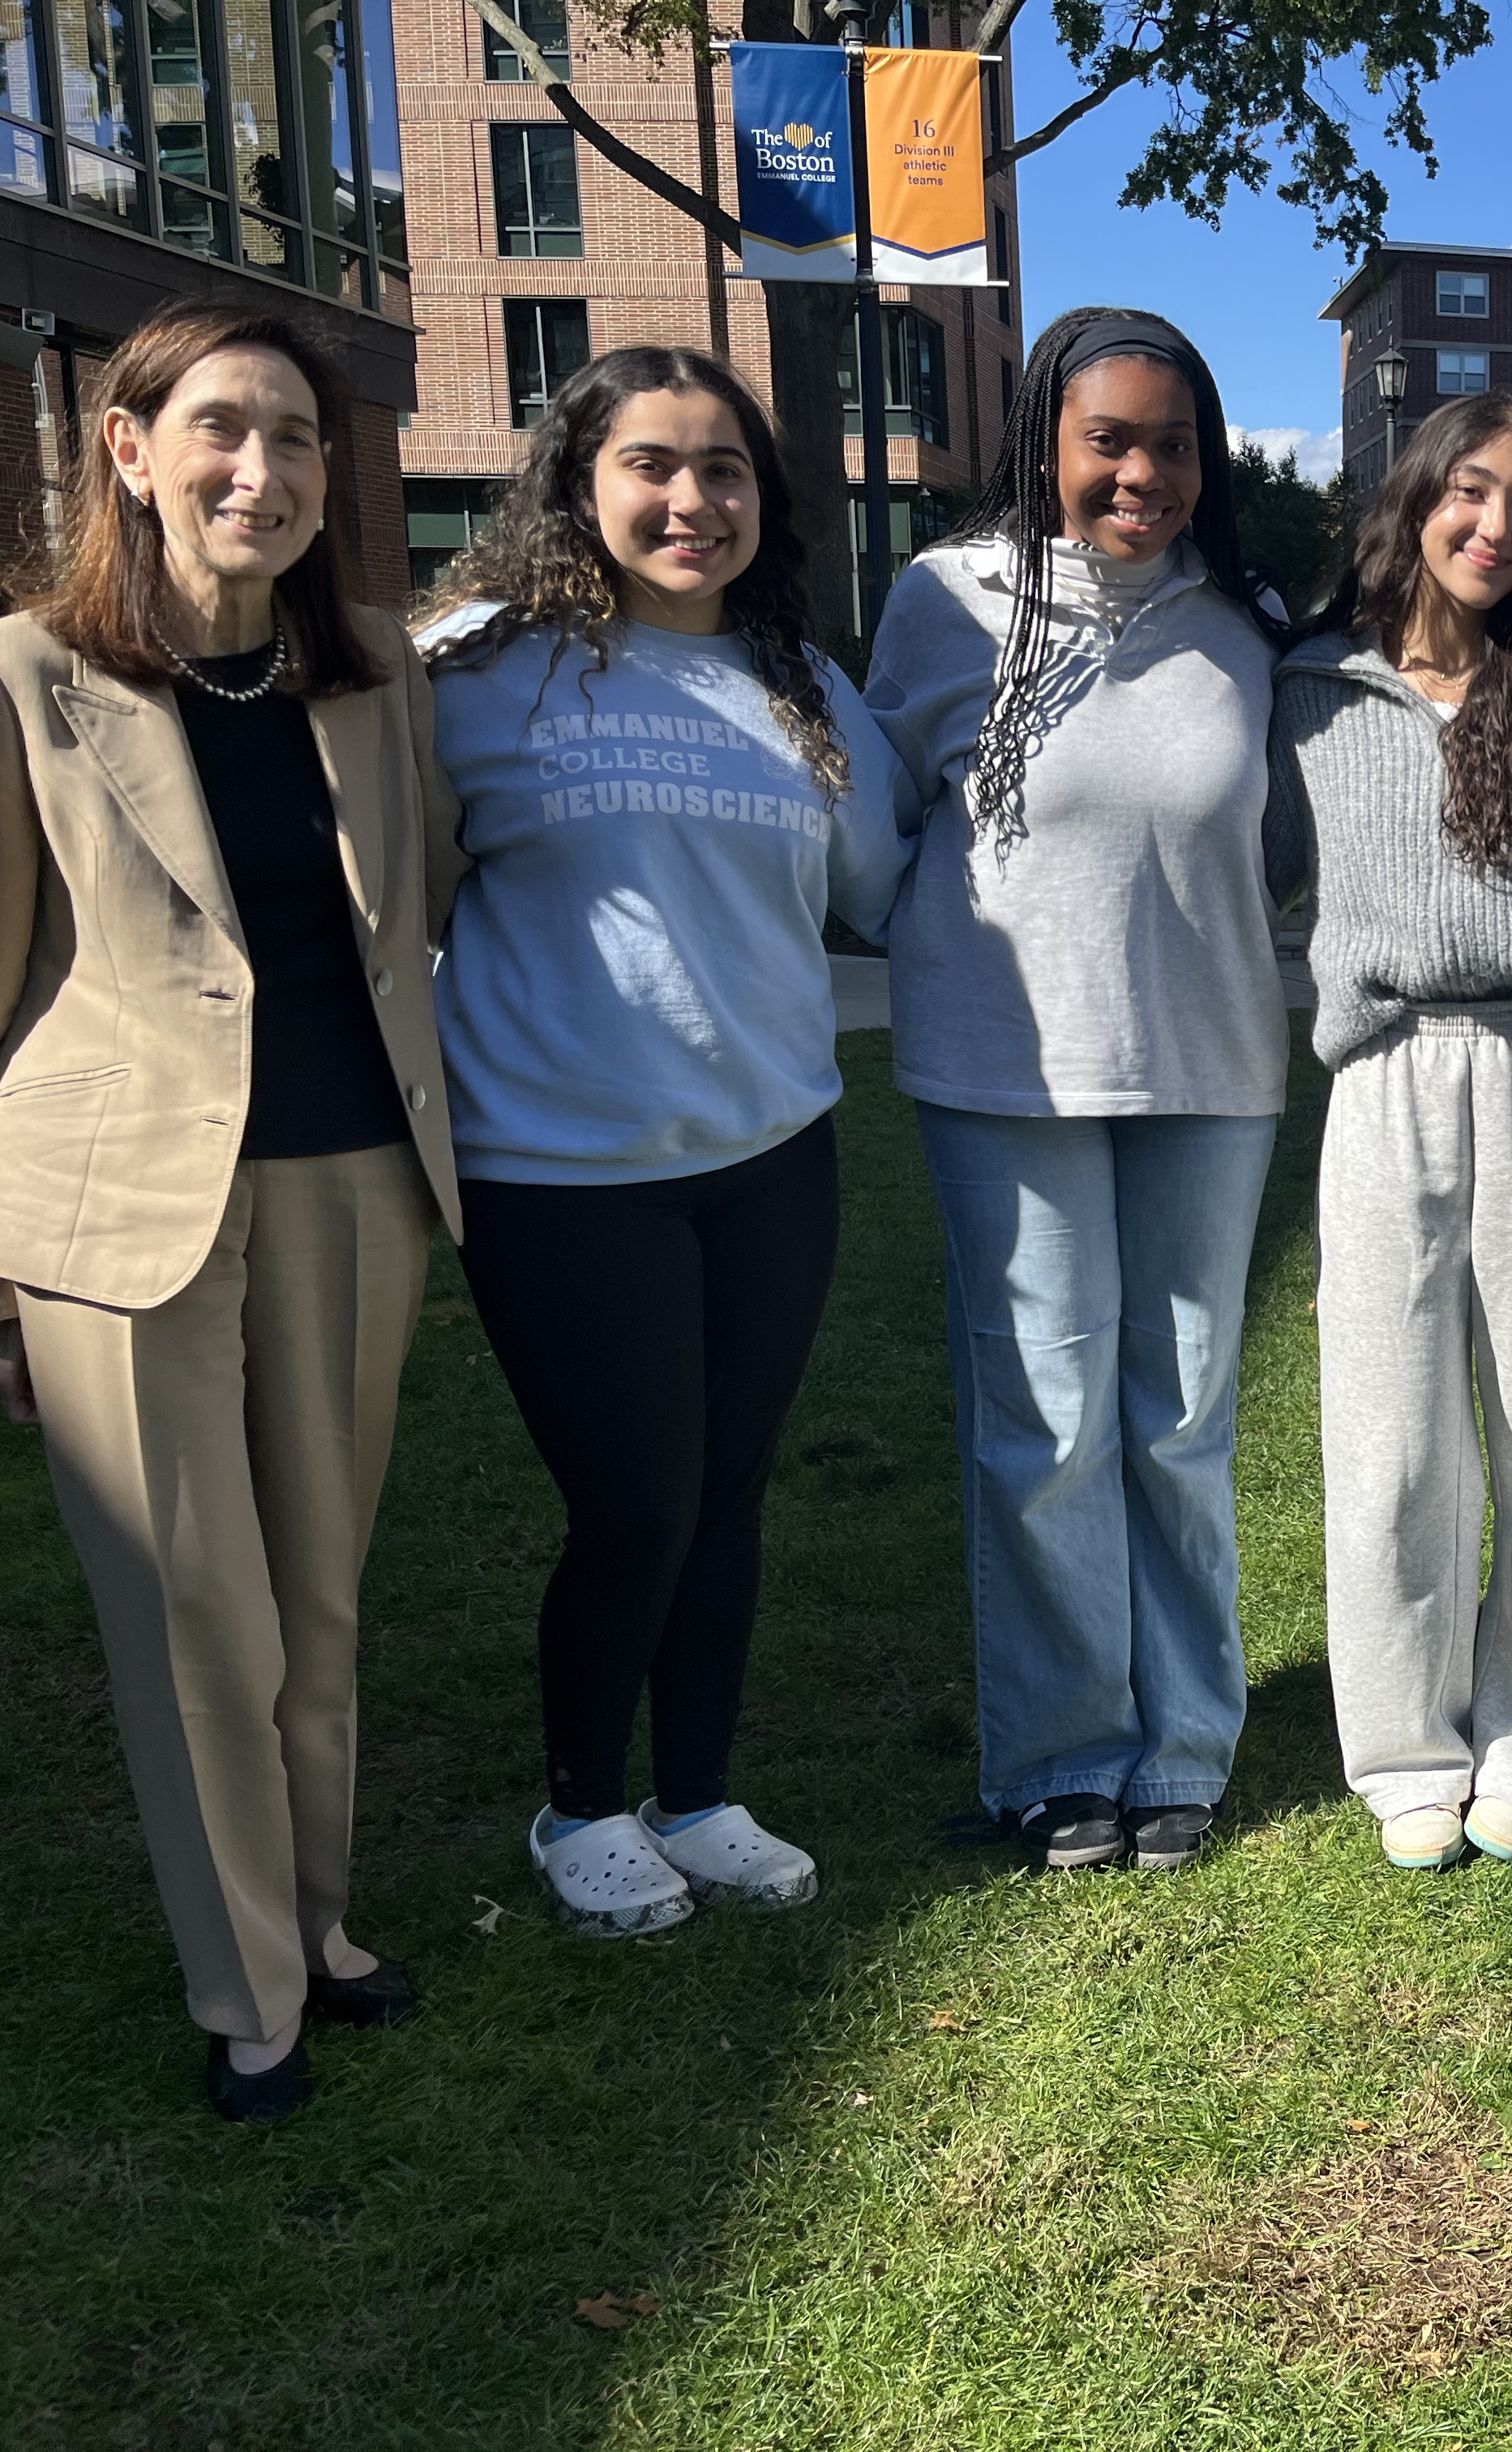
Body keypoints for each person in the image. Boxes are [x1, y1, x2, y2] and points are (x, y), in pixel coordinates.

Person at [0, 299, 464, 2120]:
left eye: (289, 437)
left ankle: (325, 1928)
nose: (259, 472)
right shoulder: (33, 676)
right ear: (129, 449)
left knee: (320, 1600)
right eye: (219, 430)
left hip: (356, 1177)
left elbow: (422, 903)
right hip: (118, 1213)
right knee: (199, 1617)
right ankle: (246, 1985)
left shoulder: (374, 679)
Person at [422, 346, 915, 1935]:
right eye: (652, 464)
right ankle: (578, 1810)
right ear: (579, 481)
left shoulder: (807, 688)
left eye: (725, 473)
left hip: (772, 1155)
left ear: (768, 506)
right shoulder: (474, 670)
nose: (691, 499)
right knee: (636, 1503)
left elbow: (882, 889)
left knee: (728, 1495)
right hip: (561, 1173)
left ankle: (696, 1795)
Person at [866, 308, 1287, 1876]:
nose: (1143, 471)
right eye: (1109, 437)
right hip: (1004, 1067)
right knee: (1041, 1426)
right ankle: (1062, 1761)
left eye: (1172, 444)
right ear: (1045, 437)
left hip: (1212, 1064)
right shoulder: (945, 600)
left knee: (1178, 1422)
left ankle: (1182, 1747)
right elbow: (885, 810)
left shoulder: (1247, 618)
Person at [1264, 394, 1512, 1872]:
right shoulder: (1307, 691)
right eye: (1470, 495)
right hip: (1387, 1079)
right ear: (1414, 502)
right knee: (1391, 1432)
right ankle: (1407, 1746)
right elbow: (1250, 876)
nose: (1498, 528)